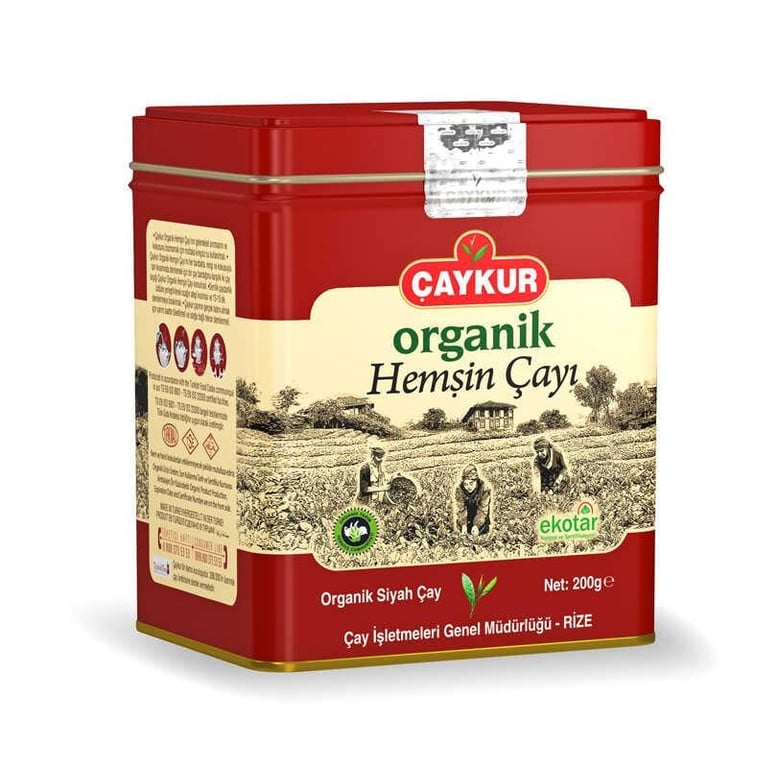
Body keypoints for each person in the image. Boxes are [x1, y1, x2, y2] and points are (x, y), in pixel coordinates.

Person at [454, 464, 491, 536]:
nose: (468, 487)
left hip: (480, 512)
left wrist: (476, 525)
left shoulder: (484, 489)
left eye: (471, 483)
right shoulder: (459, 489)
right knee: (463, 531)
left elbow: (483, 510)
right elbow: (460, 509)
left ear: (476, 481)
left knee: (482, 531)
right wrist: (463, 525)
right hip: (467, 512)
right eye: (466, 484)